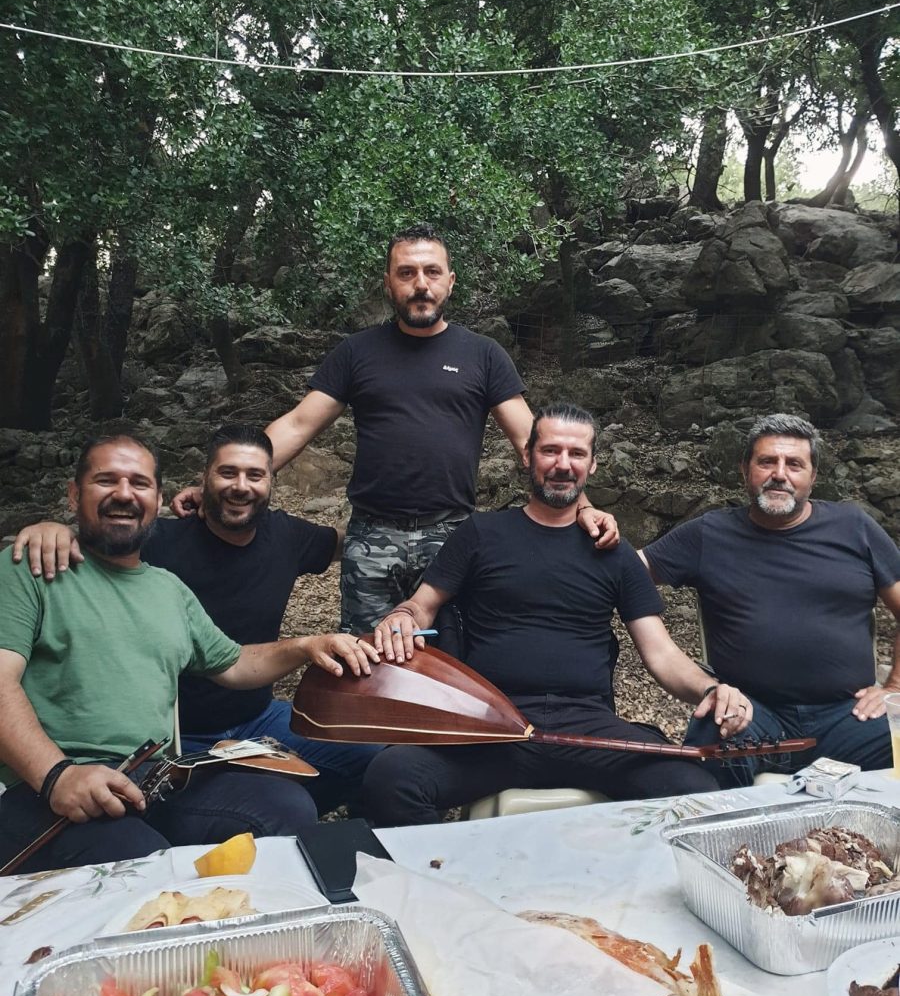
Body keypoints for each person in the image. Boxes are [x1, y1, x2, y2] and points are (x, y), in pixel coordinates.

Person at [170, 224, 619, 632]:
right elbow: (298, 425)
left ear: (450, 281)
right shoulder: (357, 353)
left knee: (452, 663)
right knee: (367, 665)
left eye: (431, 272)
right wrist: (216, 484)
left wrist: (583, 509)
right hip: (371, 536)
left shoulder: (483, 355)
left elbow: (534, 442)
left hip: (453, 536)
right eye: (406, 273)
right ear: (388, 283)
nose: (420, 284)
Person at [0, 434, 378, 874]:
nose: (124, 493)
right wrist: (56, 775)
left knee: (283, 806)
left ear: (158, 499)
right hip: (49, 784)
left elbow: (234, 663)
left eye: (139, 483)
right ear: (73, 494)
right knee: (140, 860)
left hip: (154, 779)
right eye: (106, 480)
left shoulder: (168, 589)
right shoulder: (32, 567)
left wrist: (306, 645)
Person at [360, 404, 751, 826]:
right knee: (391, 777)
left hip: (587, 730)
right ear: (527, 455)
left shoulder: (614, 552)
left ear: (592, 464)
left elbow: (661, 654)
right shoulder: (480, 533)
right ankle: (439, 868)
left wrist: (711, 689)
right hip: (491, 725)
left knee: (693, 787)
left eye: (576, 453)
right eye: (550, 451)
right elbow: (422, 605)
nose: (563, 465)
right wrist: (402, 616)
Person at [640, 413, 900, 786]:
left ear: (813, 476)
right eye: (766, 462)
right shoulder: (709, 534)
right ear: (745, 469)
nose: (779, 474)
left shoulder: (854, 527)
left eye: (794, 464)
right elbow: (627, 572)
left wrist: (893, 689)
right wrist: (586, 516)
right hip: (751, 713)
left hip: (850, 716)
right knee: (708, 749)